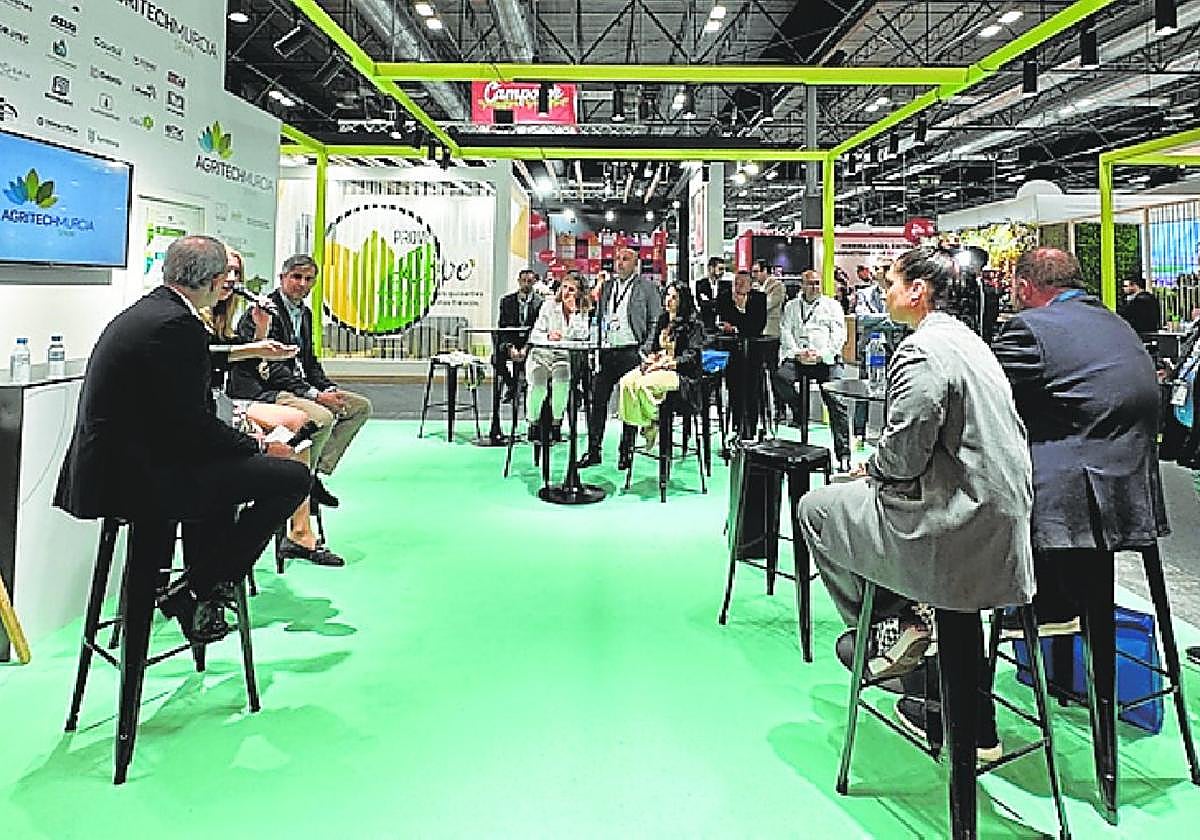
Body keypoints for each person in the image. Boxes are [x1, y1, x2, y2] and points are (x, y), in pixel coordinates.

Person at [797, 247, 1034, 758]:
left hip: (957, 523)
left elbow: (903, 457)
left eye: (890, 283)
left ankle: (895, 620)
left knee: (817, 507)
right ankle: (923, 648)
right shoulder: (972, 342)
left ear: (917, 292)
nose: (884, 293)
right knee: (857, 498)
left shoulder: (922, 349)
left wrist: (874, 469)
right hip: (1005, 520)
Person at [55, 236, 311, 643]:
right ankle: (196, 590)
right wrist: (259, 445)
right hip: (138, 480)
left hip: (118, 467)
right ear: (212, 280)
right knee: (292, 478)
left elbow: (194, 364)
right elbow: (194, 427)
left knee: (225, 487)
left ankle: (200, 591)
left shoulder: (153, 312)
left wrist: (250, 350)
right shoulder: (179, 325)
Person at [991, 247, 1168, 635]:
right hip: (1130, 492)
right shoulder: (1115, 321)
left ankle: (949, 658)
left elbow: (981, 392)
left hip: (1068, 505)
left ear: (1023, 287)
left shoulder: (1032, 327)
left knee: (955, 505)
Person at [209, 249, 343, 567]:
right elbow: (256, 366)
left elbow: (295, 359)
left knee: (332, 416)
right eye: (225, 272)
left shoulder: (231, 314)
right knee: (309, 421)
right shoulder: (199, 314)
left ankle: (301, 509)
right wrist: (310, 393)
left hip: (228, 402)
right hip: (241, 399)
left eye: (237, 274)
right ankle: (300, 493)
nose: (231, 280)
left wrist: (323, 387)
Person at [228, 254, 373, 527]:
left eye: (309, 279)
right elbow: (270, 369)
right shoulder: (261, 313)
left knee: (358, 407)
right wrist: (315, 395)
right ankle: (300, 481)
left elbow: (309, 360)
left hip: (297, 387)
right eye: (296, 277)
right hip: (265, 391)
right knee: (322, 418)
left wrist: (328, 388)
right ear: (282, 278)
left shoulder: (304, 313)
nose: (302, 284)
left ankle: (315, 472)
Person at [578, 246, 663, 470]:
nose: (620, 263)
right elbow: (599, 316)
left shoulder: (647, 288)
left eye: (625, 259)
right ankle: (594, 450)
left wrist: (645, 349)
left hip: (632, 351)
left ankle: (626, 451)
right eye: (618, 259)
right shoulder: (607, 287)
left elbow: (656, 320)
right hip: (608, 350)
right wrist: (595, 346)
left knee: (629, 403)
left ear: (635, 264)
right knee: (597, 401)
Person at [772, 270, 853, 471]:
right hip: (799, 358)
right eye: (810, 283)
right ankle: (800, 409)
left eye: (817, 283)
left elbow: (839, 335)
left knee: (836, 399)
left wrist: (821, 354)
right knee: (781, 377)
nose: (814, 287)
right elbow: (786, 331)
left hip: (826, 359)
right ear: (802, 285)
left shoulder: (832, 306)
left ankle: (843, 455)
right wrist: (797, 353)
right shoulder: (792, 306)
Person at [617, 281, 705, 451]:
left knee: (643, 386)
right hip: (658, 364)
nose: (668, 300)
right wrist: (650, 358)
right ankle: (649, 422)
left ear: (683, 301)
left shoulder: (694, 324)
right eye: (667, 296)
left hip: (679, 371)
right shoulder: (663, 319)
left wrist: (669, 363)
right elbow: (652, 347)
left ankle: (654, 422)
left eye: (674, 297)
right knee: (626, 383)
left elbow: (691, 356)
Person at [526, 273, 591, 441]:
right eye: (564, 287)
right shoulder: (548, 306)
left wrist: (574, 313)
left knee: (561, 382)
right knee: (539, 386)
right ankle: (533, 422)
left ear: (579, 293)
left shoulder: (582, 310)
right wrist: (548, 336)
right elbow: (534, 335)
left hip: (562, 356)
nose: (566, 293)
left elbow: (583, 335)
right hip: (541, 355)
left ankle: (556, 422)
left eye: (571, 290)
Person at [717, 269, 768, 437]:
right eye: (736, 283)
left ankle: (751, 428)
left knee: (753, 390)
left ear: (750, 284)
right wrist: (739, 322)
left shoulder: (759, 299)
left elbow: (757, 325)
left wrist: (737, 325)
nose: (738, 286)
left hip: (754, 352)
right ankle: (737, 427)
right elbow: (724, 323)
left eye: (742, 283)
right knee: (734, 389)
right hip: (732, 352)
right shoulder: (725, 298)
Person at [496, 269, 542, 403]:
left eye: (529, 281)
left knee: (531, 360)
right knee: (496, 359)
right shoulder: (506, 301)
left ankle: (523, 387)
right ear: (519, 281)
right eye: (524, 281)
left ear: (534, 282)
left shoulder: (540, 303)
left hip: (531, 343)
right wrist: (510, 347)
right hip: (512, 340)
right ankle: (511, 385)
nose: (526, 284)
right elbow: (503, 327)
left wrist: (526, 347)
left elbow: (538, 329)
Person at [695, 256, 726, 329]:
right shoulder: (701, 284)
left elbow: (725, 304)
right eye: (720, 269)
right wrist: (718, 303)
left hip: (723, 324)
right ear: (711, 268)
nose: (722, 272)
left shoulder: (725, 286)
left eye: (724, 269)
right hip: (707, 324)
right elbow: (702, 303)